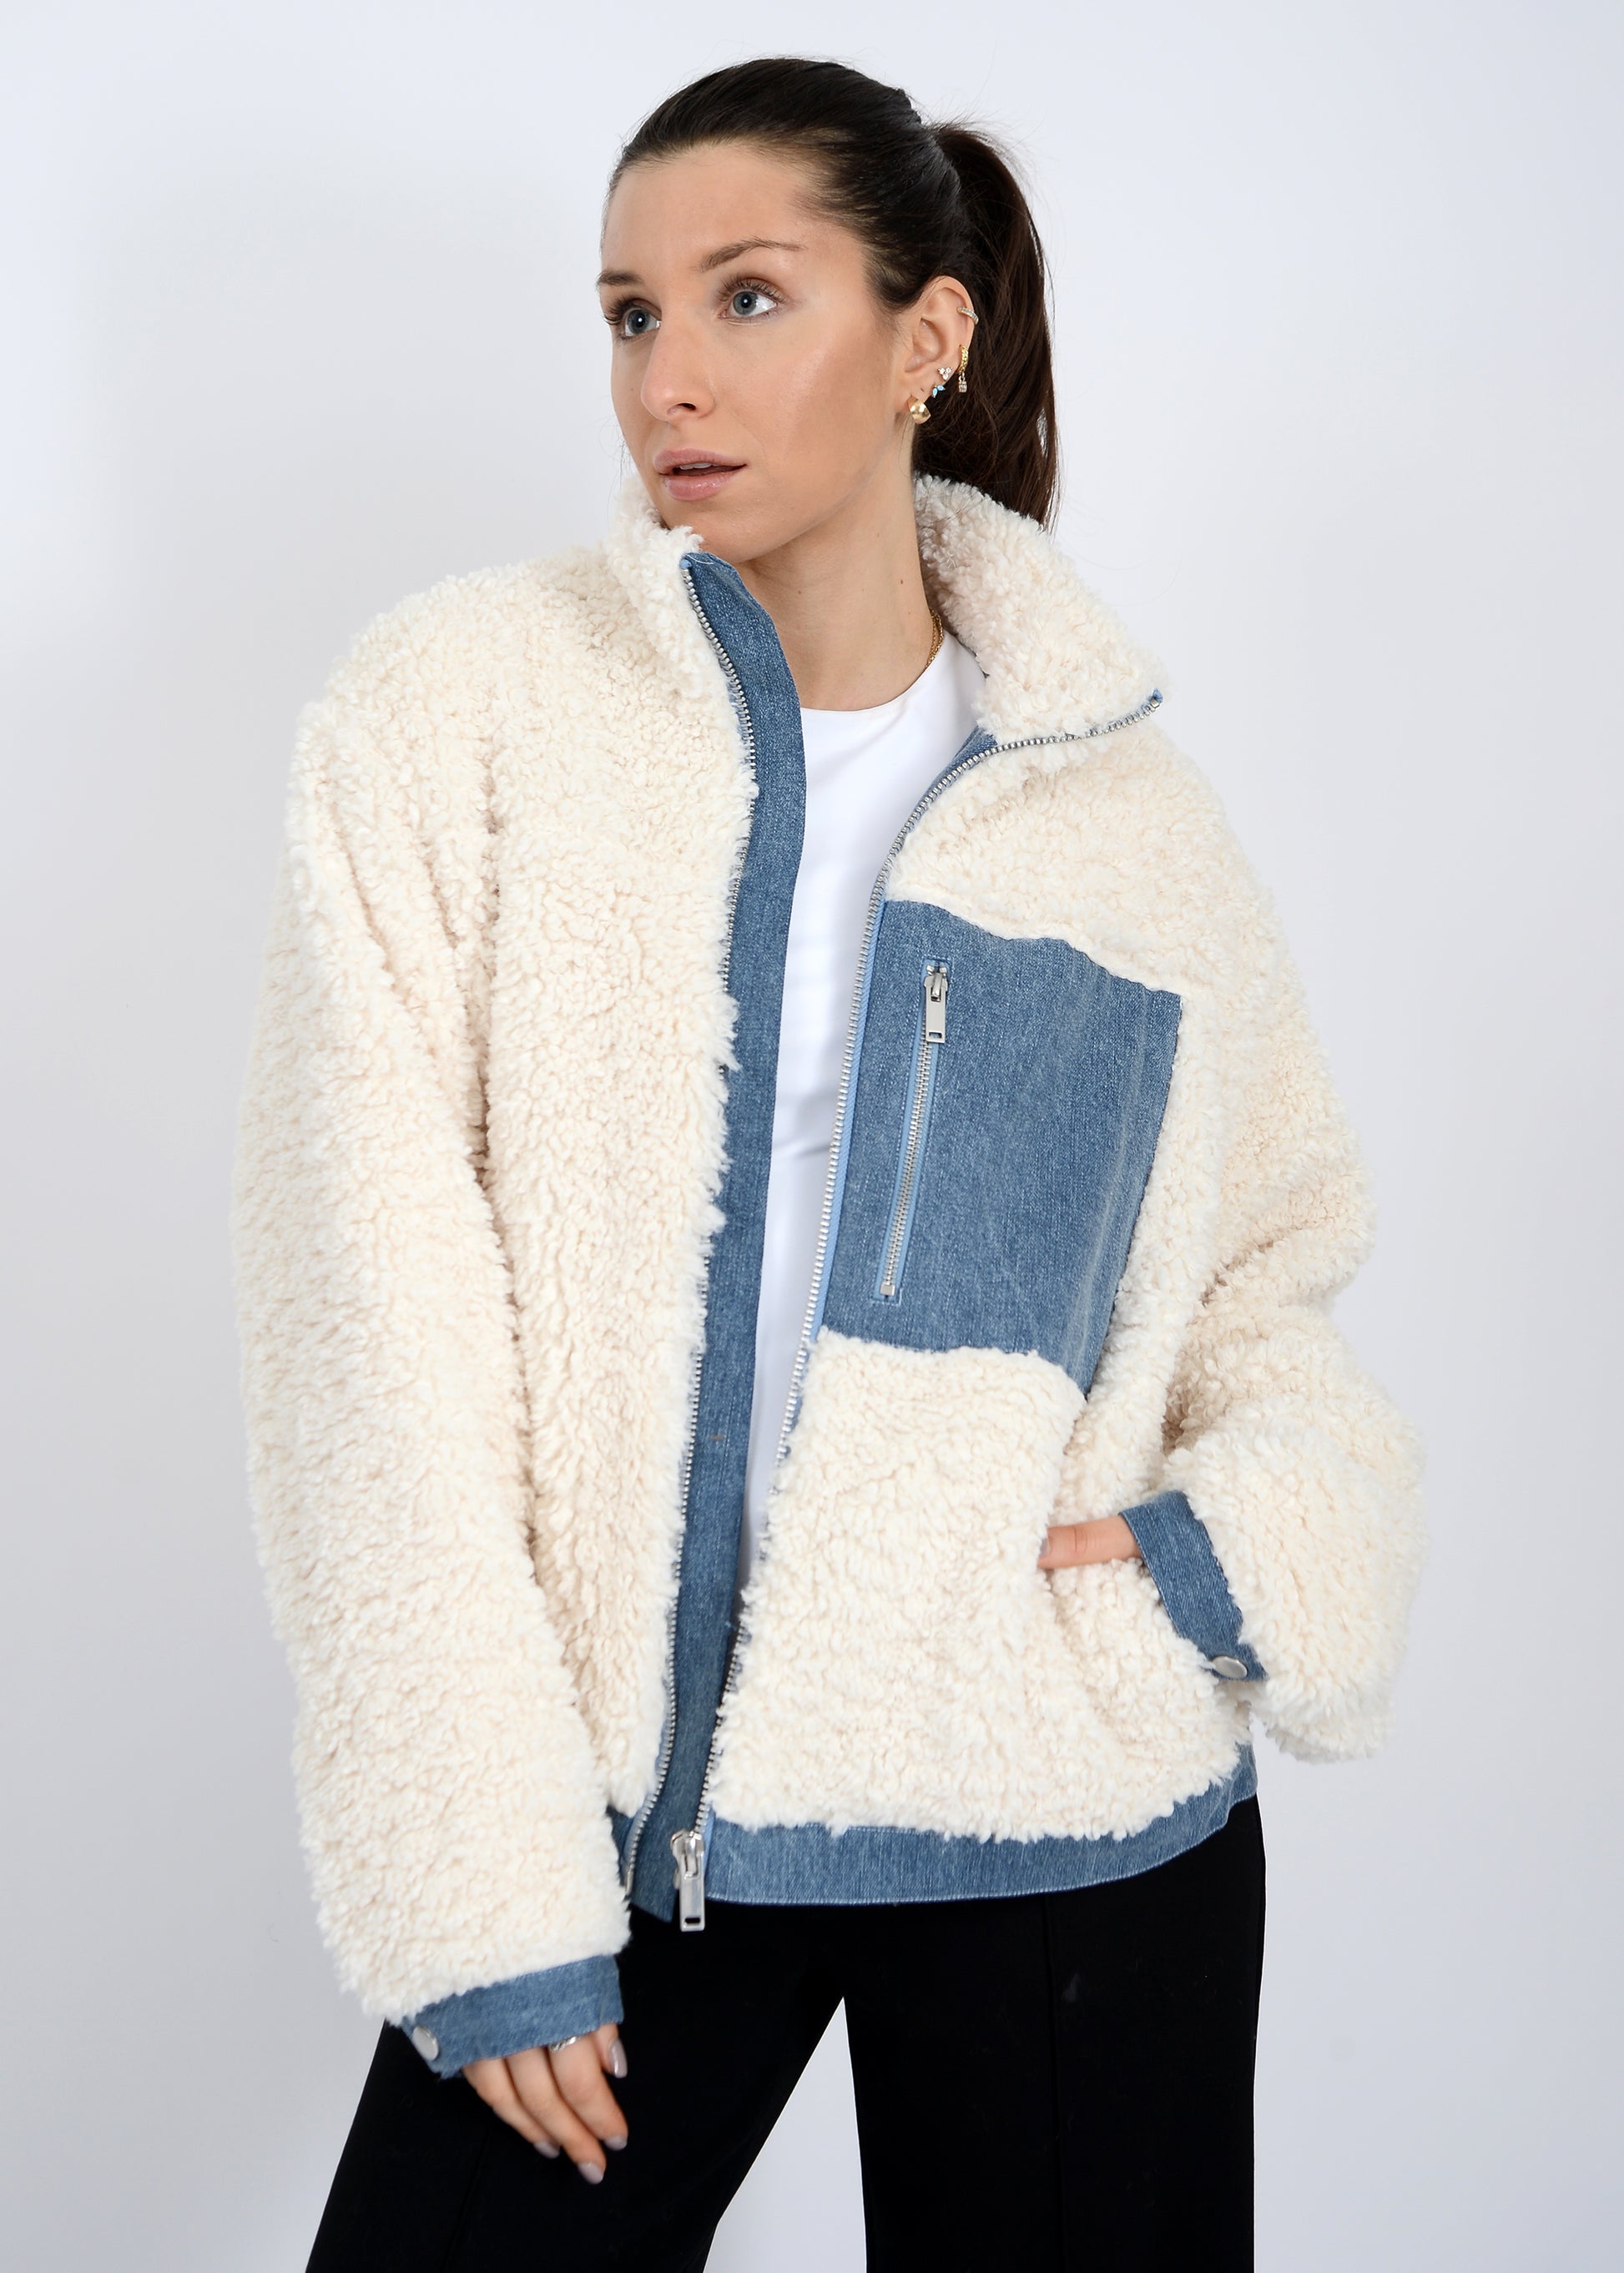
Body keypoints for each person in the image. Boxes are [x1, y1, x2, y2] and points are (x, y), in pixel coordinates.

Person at [233, 55, 1425, 2273]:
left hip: (1064, 1801)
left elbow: (1264, 1266)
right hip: (630, 1815)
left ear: (925, 337)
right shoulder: (456, 724)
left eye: (748, 297)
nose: (667, 378)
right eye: (629, 314)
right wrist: (481, 1882)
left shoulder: (1111, 806)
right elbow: (365, 1342)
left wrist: (1225, 1558)